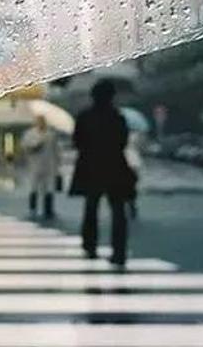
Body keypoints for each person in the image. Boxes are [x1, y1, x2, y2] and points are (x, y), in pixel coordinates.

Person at [70, 80, 136, 268]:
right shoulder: (117, 117)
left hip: (90, 167)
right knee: (118, 210)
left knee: (91, 207)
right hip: (115, 166)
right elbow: (123, 142)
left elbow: (77, 141)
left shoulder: (84, 117)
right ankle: (119, 251)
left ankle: (89, 246)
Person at [21, 115, 61, 219]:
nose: (41, 123)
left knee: (49, 188)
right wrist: (36, 145)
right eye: (39, 121)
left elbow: (56, 150)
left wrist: (57, 165)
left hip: (49, 165)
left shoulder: (51, 134)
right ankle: (33, 208)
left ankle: (48, 210)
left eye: (43, 121)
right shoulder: (30, 134)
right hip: (35, 164)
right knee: (33, 187)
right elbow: (25, 147)